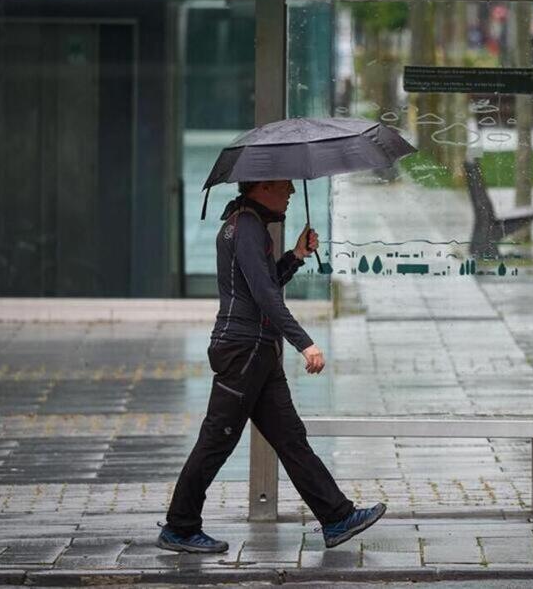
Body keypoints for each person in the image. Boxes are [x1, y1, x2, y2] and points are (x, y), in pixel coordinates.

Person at [157, 180, 385, 553]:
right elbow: (264, 295)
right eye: (285, 186)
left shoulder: (249, 225)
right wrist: (304, 342)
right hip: (243, 350)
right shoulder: (245, 226)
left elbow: (264, 283)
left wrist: (295, 254)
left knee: (290, 438)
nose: (292, 191)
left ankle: (337, 517)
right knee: (218, 439)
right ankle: (179, 527)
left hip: (257, 352)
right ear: (263, 186)